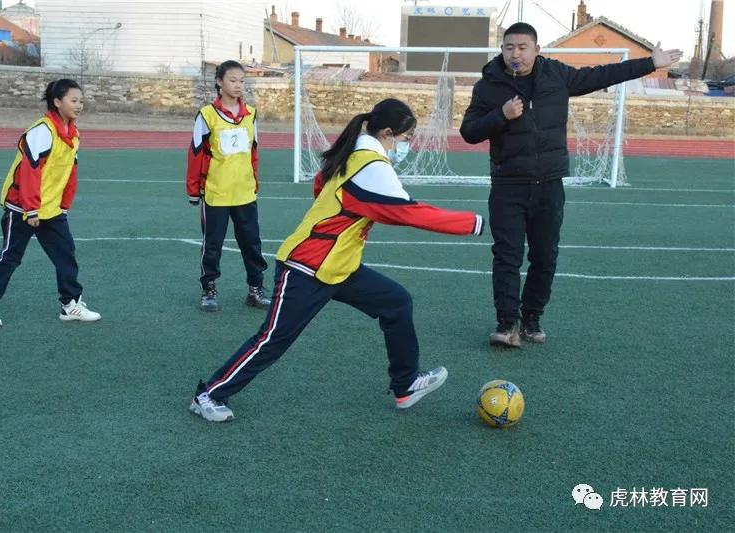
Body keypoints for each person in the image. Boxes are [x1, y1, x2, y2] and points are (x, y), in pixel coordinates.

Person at [189, 98, 485, 422]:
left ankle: (406, 386)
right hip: (306, 267)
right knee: (273, 340)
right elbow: (406, 212)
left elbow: (322, 185)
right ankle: (209, 394)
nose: (407, 147)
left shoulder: (356, 153)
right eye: (405, 139)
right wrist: (471, 224)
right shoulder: (371, 164)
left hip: (339, 267)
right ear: (387, 133)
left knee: (396, 302)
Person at [460, 22, 682, 348]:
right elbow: (469, 131)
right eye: (509, 47)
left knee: (545, 256)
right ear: (502, 50)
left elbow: (602, 75)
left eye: (522, 47)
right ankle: (507, 325)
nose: (515, 53)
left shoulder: (557, 76)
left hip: (549, 184)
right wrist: (500, 115)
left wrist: (650, 63)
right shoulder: (488, 86)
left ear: (536, 50)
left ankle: (531, 319)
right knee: (506, 257)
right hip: (508, 184)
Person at [0, 79, 101, 327]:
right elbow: (29, 172)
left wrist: (64, 203)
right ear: (57, 102)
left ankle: (70, 304)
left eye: (81, 101)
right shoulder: (41, 131)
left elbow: (69, 171)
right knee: (11, 256)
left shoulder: (73, 135)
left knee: (66, 254)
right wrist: (31, 208)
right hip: (22, 207)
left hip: (51, 209)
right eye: (74, 100)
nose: (79, 105)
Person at [186, 60, 271, 312]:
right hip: (216, 193)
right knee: (212, 245)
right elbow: (196, 154)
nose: (238, 85)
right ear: (219, 82)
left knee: (252, 243)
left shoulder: (251, 114)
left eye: (242, 81)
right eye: (233, 80)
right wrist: (193, 190)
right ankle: (208, 289)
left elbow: (253, 152)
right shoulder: (207, 115)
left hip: (244, 192)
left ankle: (255, 289)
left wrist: (254, 181)